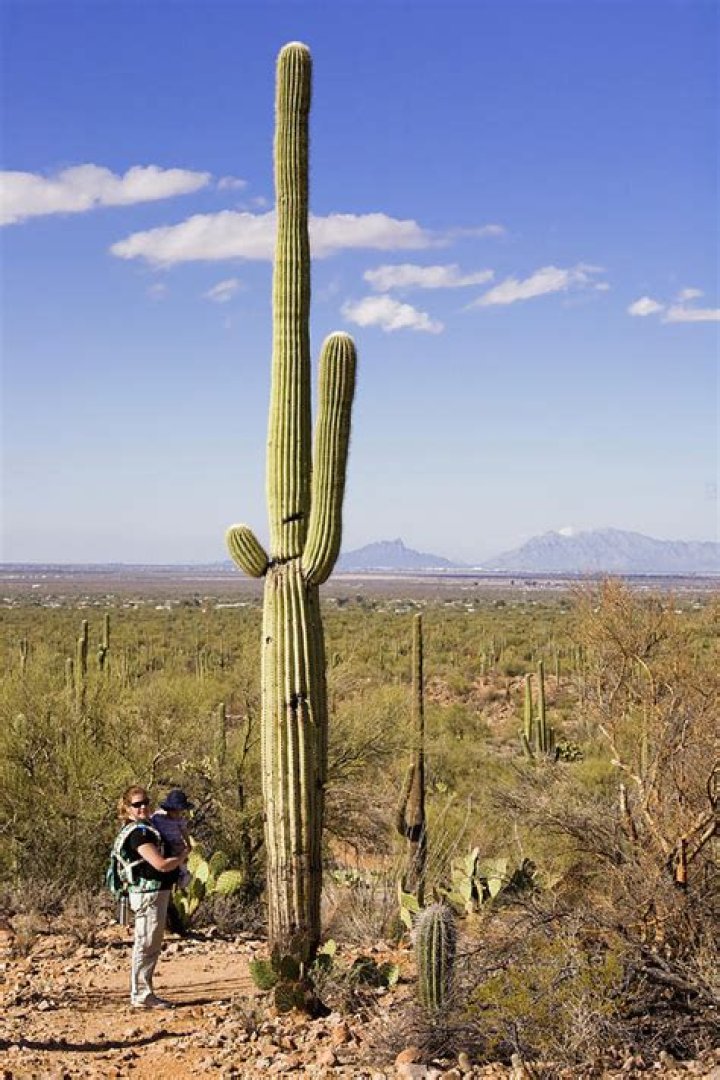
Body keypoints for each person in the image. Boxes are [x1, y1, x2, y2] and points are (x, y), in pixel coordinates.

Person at [116, 784, 188, 1009]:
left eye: (146, 802)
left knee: (149, 943)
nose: (143, 807)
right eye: (136, 804)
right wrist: (183, 856)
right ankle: (141, 994)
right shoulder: (139, 834)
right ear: (127, 808)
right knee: (146, 944)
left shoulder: (146, 828)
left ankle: (143, 992)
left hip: (153, 893)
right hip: (149, 893)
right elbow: (160, 864)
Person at [151, 789, 194, 889]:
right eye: (175, 810)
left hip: (175, 842)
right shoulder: (158, 817)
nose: (178, 813)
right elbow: (151, 823)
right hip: (162, 842)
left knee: (181, 857)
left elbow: (184, 832)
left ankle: (183, 874)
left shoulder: (180, 820)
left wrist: (188, 844)